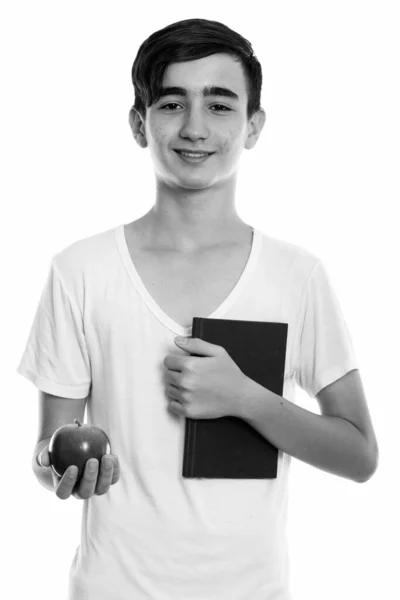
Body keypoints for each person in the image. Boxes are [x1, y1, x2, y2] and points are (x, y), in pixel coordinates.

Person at [17, 17, 379, 600]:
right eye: (170, 104)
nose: (194, 128)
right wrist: (61, 469)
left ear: (253, 125)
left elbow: (360, 455)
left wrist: (243, 398)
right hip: (113, 588)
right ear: (140, 124)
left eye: (219, 105)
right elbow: (47, 450)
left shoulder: (298, 275)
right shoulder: (80, 270)